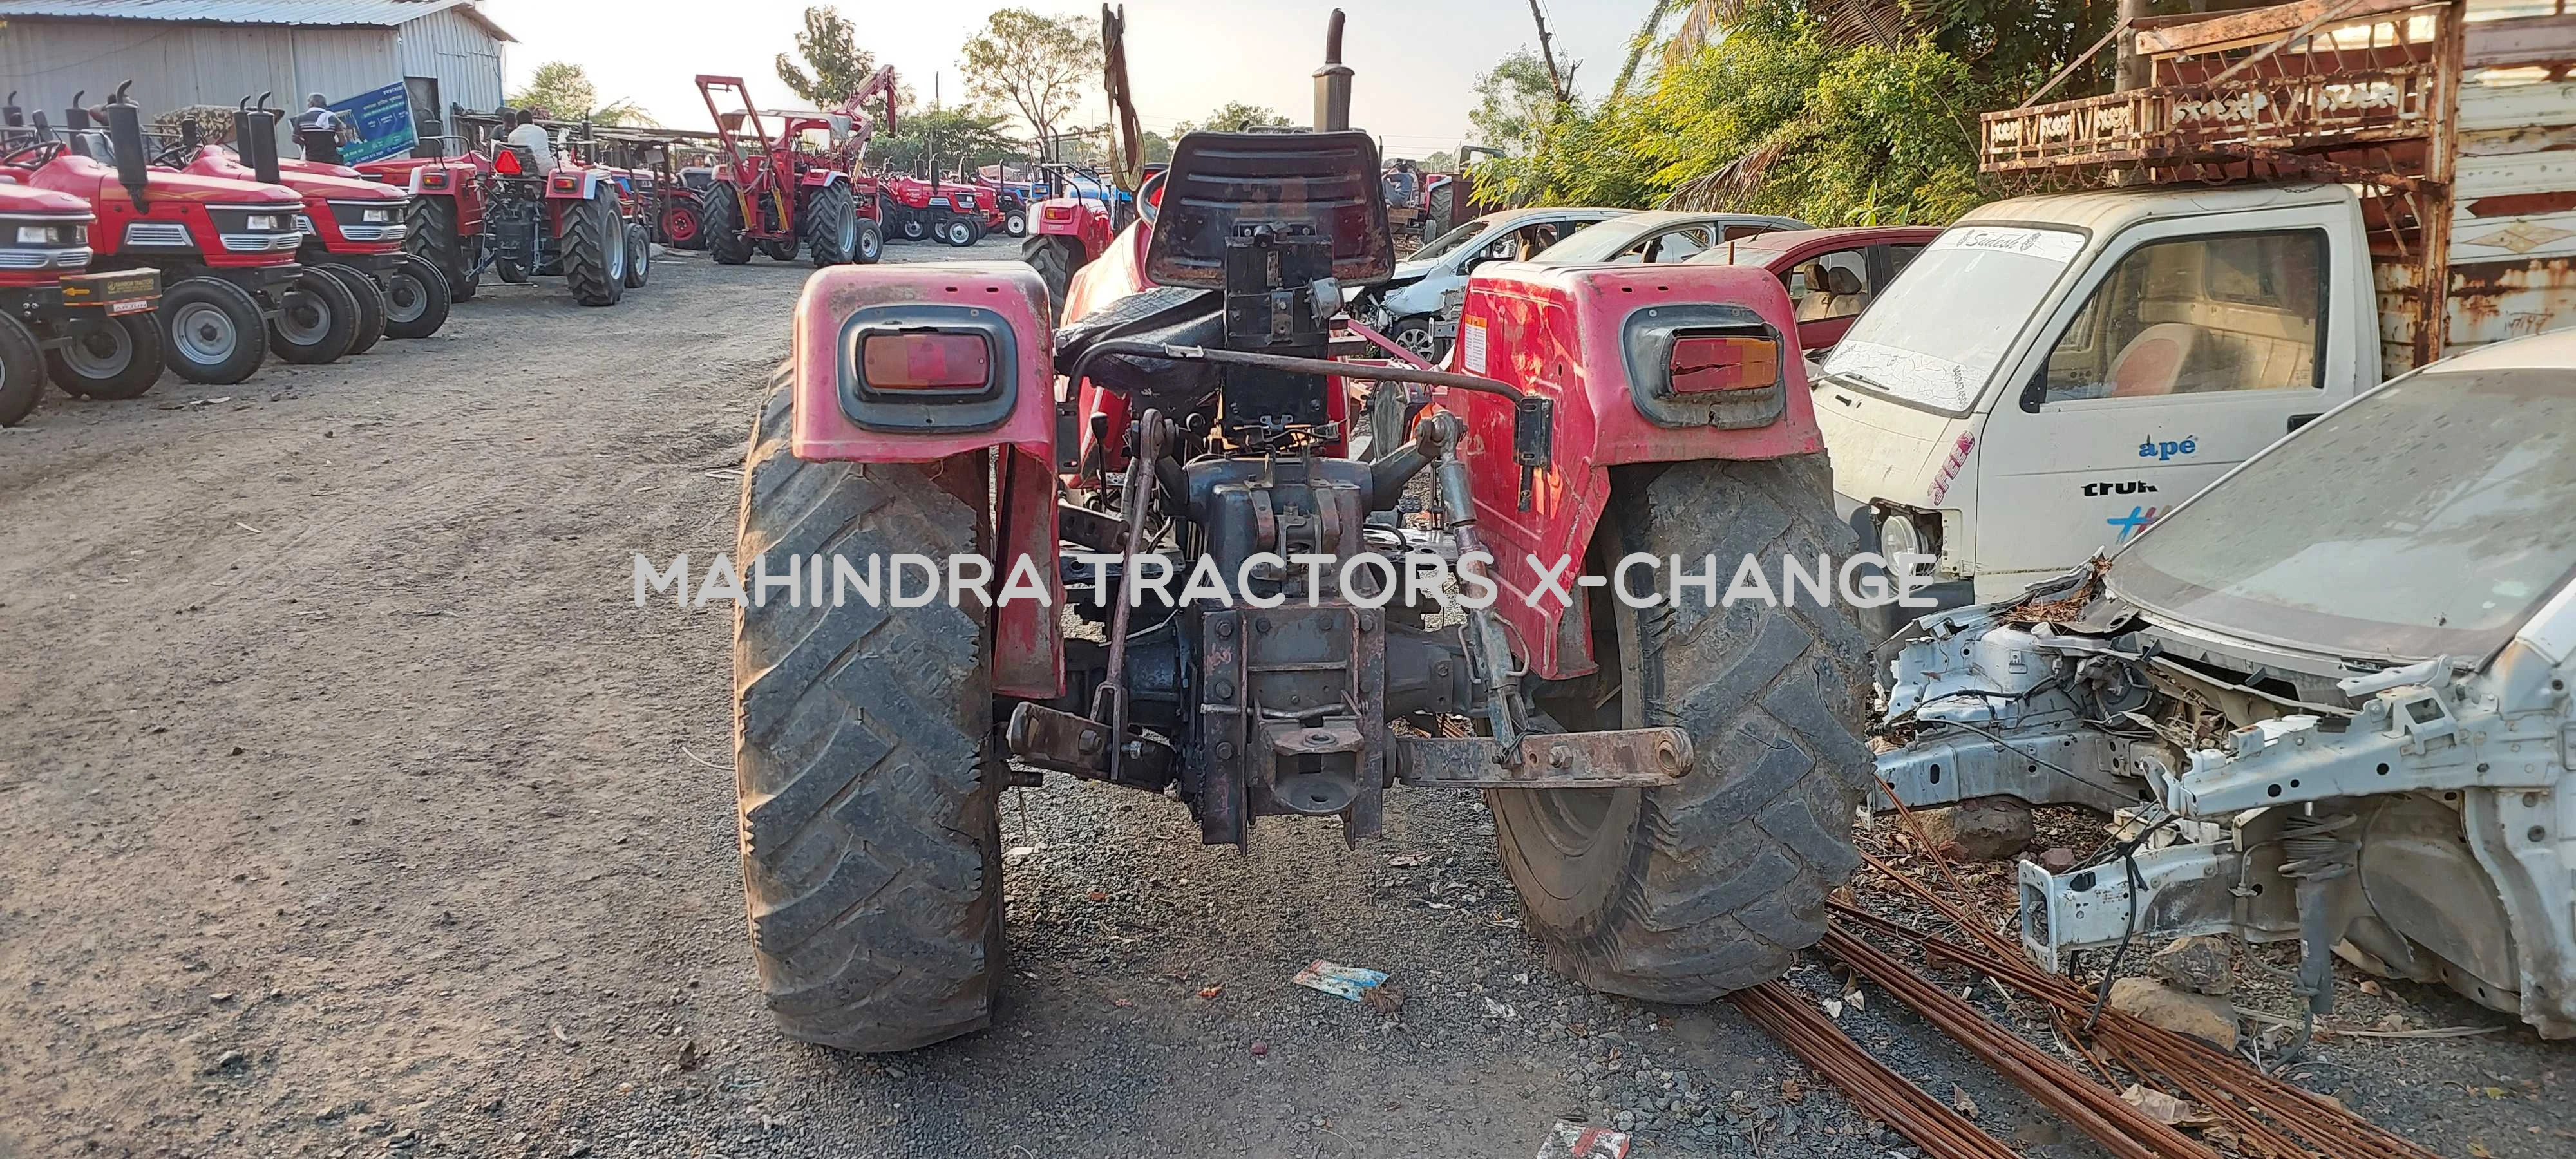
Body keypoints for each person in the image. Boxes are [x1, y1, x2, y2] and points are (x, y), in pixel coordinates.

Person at [292, 93, 346, 164]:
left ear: (311, 104)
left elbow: (295, 139)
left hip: (311, 160)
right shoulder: (333, 119)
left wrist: (308, 144)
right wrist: (330, 145)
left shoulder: (300, 119)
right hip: (332, 160)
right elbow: (342, 142)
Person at [502, 107, 555, 172]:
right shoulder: (542, 131)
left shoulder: (513, 135)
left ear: (517, 121)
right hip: (546, 169)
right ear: (532, 120)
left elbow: (514, 156)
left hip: (526, 172)